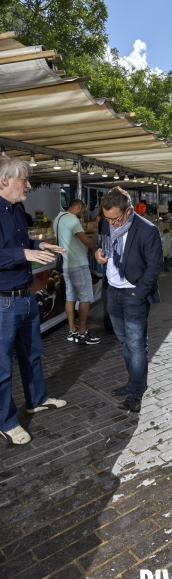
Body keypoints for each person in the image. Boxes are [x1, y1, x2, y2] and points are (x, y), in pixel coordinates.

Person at [0, 157, 68, 445]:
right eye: (24, 179)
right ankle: (6, 422)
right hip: (2, 303)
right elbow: (14, 253)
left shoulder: (16, 210)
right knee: (3, 368)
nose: (29, 185)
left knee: (32, 355)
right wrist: (24, 255)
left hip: (24, 296)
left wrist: (39, 245)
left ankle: (37, 399)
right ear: (4, 180)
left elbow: (21, 245)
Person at [94, 187, 164, 413]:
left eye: (115, 219)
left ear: (129, 211)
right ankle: (133, 383)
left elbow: (155, 266)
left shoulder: (147, 230)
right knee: (125, 342)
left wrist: (139, 292)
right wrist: (98, 252)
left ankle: (136, 393)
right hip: (113, 292)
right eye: (107, 218)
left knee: (136, 346)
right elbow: (103, 245)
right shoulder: (107, 223)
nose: (111, 223)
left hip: (133, 294)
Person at [53, 200, 100, 345]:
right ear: (78, 207)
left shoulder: (58, 218)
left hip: (67, 264)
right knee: (85, 297)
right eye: (83, 210)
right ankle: (83, 332)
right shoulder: (72, 219)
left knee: (71, 297)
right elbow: (84, 239)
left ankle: (72, 330)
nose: (83, 213)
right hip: (78, 263)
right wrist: (96, 246)